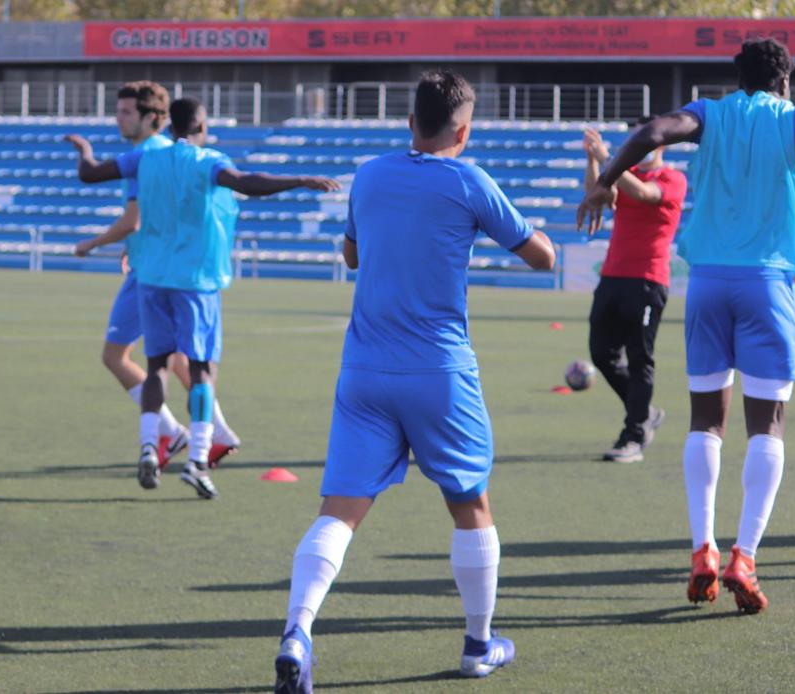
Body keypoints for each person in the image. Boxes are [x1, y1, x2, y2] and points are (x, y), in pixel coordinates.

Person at [578, 38, 795, 614]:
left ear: (739, 80)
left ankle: (701, 550)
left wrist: (606, 178)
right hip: (768, 285)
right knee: (768, 425)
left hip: (708, 281)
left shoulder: (711, 112)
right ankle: (745, 556)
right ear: (786, 81)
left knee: (706, 420)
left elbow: (652, 133)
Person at [273, 71, 556, 692]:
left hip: (364, 371)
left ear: (409, 123)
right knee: (470, 505)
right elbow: (543, 257)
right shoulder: (470, 181)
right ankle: (479, 646)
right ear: (465, 130)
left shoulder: (370, 174)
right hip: (438, 372)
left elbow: (351, 254)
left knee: (339, 512)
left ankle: (298, 630)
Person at [68, 97, 339, 499]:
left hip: (153, 278)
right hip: (195, 280)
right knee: (200, 371)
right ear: (200, 126)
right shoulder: (206, 161)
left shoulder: (145, 159)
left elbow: (90, 174)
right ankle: (196, 461)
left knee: (156, 365)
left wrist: (84, 151)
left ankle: (148, 447)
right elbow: (246, 182)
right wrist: (298, 181)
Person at [71, 81, 240, 470]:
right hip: (161, 267)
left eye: (126, 112)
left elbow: (136, 218)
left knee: (120, 356)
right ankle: (216, 431)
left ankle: (172, 431)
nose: (119, 119)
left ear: (152, 118)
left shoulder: (149, 156)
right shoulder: (160, 152)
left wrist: (92, 243)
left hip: (156, 273)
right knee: (180, 357)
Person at [582, 119, 687, 463]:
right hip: (613, 276)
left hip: (647, 280)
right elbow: (598, 193)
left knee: (640, 358)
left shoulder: (671, 178)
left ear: (661, 146)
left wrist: (610, 160)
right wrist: (594, 163)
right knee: (601, 353)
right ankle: (644, 413)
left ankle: (635, 434)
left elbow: (645, 195)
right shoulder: (624, 176)